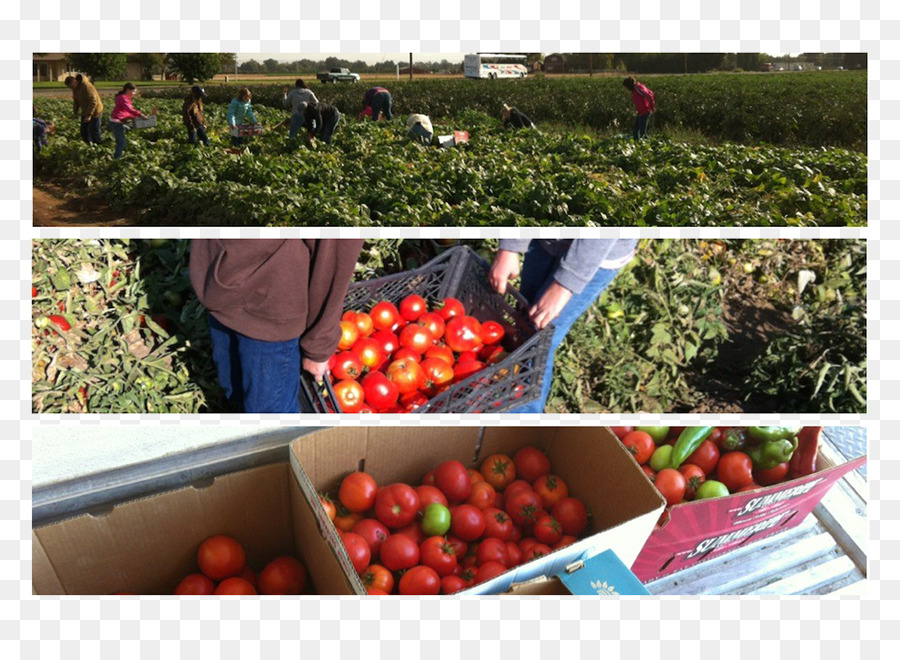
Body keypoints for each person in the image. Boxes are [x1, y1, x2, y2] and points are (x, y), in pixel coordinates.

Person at [189, 239, 364, 414]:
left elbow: (335, 245)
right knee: (241, 397)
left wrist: (319, 343)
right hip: (232, 291)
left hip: (261, 303)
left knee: (259, 411)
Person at [488, 239, 637, 413]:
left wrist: (565, 284)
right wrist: (510, 245)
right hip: (544, 240)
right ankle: (509, 398)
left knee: (539, 341)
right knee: (524, 325)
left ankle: (524, 421)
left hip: (594, 256)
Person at [108, 83, 150, 159]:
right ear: (128, 90)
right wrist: (140, 115)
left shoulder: (123, 98)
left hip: (119, 121)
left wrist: (136, 116)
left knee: (128, 129)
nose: (134, 94)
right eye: (133, 91)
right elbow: (129, 109)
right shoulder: (123, 98)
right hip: (117, 122)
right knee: (121, 143)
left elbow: (126, 112)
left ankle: (120, 136)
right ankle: (117, 159)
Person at [65, 74, 103, 145]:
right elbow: (76, 101)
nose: (71, 88)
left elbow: (93, 101)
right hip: (85, 111)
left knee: (94, 131)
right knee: (84, 131)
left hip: (95, 111)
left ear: (75, 82)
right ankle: (89, 146)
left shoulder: (86, 86)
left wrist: (89, 115)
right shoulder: (75, 89)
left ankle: (98, 148)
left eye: (71, 86)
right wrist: (75, 112)